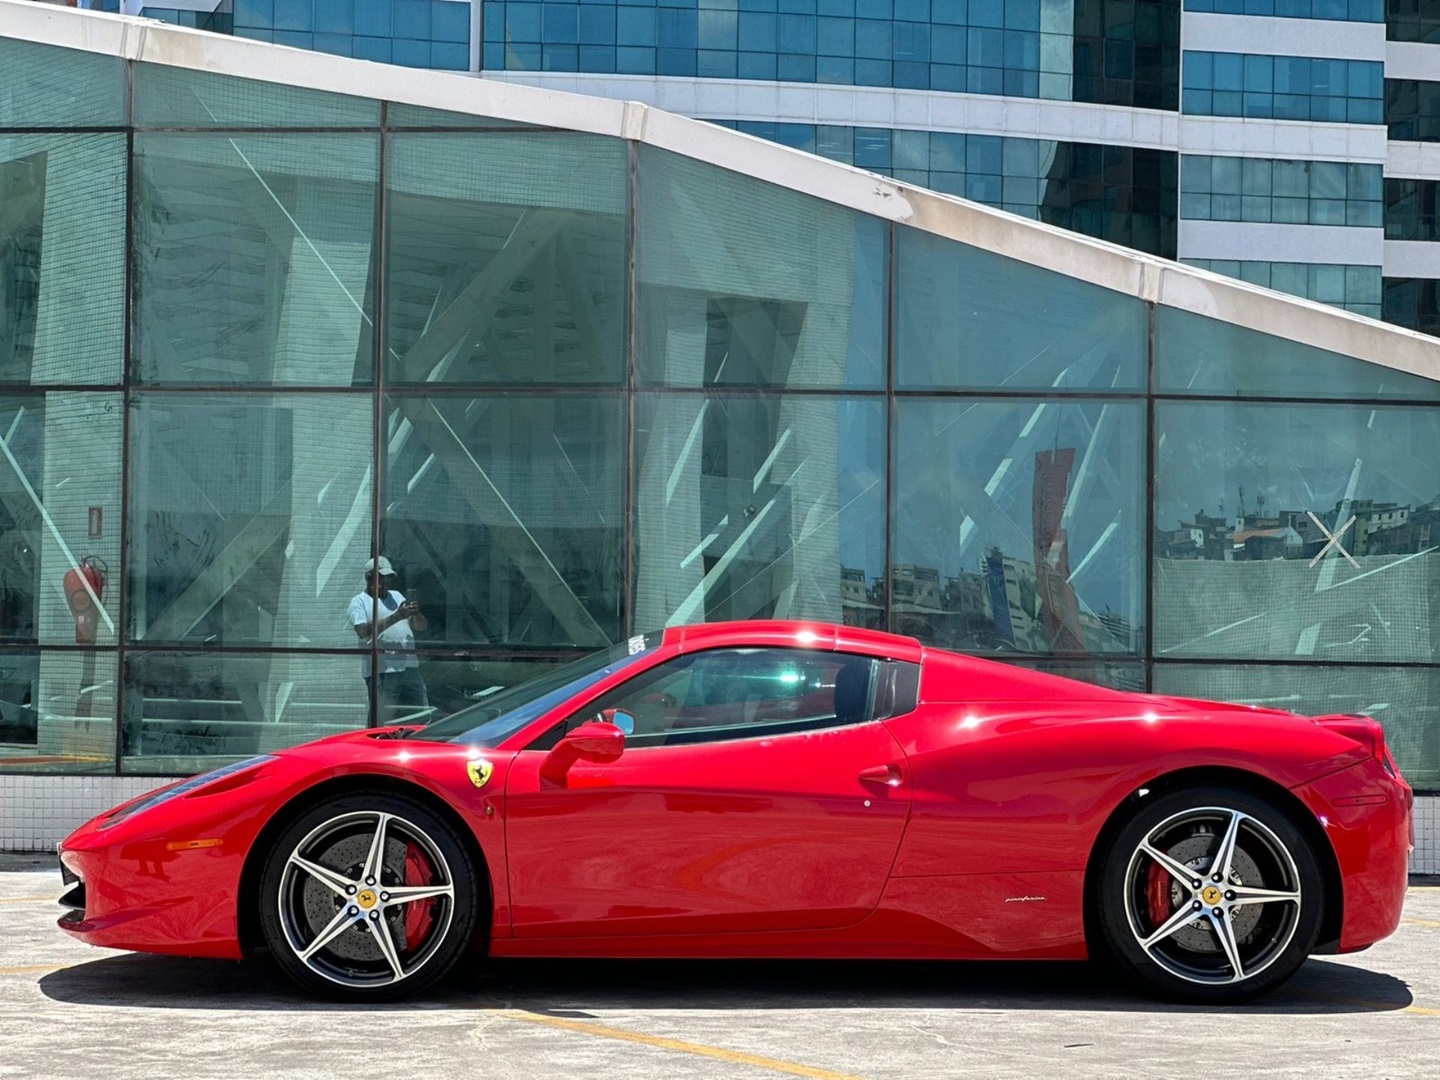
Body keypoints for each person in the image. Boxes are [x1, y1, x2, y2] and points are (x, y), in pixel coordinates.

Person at [348, 556, 429, 723]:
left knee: (419, 712)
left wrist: (415, 613)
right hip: (383, 669)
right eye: (381, 577)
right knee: (383, 715)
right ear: (369, 577)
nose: (385, 582)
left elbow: (421, 627)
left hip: (410, 666)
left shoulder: (397, 596)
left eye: (388, 578)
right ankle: (377, 744)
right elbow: (363, 631)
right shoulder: (359, 602)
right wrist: (397, 616)